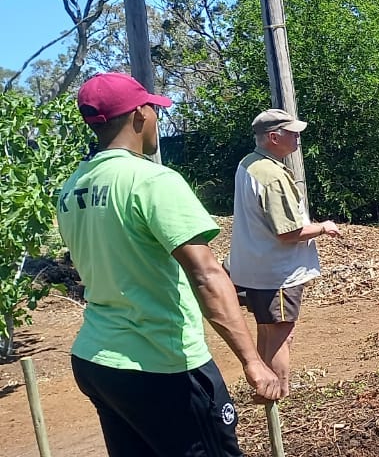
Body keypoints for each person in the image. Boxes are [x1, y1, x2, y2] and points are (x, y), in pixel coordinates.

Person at [56, 73, 283, 457]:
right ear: (139, 115)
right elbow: (205, 274)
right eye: (154, 110)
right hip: (161, 363)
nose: (157, 119)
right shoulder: (152, 180)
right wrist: (253, 362)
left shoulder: (72, 187)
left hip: (98, 362)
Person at [228, 109, 341, 398]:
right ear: (273, 137)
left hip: (256, 267)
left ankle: (266, 392)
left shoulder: (249, 163)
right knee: (281, 333)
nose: (297, 138)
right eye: (292, 133)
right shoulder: (273, 176)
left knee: (268, 328)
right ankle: (277, 393)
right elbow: (289, 233)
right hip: (277, 273)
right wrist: (323, 227)